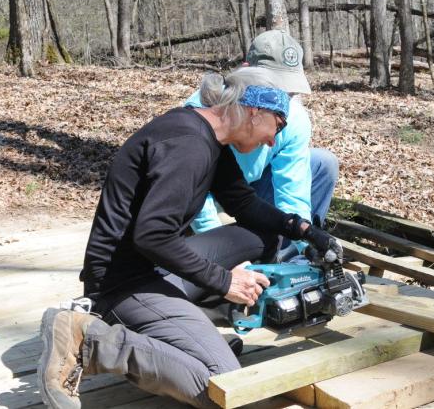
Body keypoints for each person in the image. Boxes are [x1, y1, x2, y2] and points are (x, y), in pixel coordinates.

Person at [37, 69, 341, 409]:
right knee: (223, 385)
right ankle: (90, 341)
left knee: (264, 234)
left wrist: (303, 229)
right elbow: (152, 236)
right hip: (123, 285)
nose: (273, 141)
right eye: (279, 126)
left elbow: (244, 203)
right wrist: (224, 280)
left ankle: (188, 335)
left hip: (156, 269)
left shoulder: (206, 136)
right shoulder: (189, 146)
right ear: (255, 112)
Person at [185, 30, 339, 262]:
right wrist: (224, 257)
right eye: (274, 86)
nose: (282, 98)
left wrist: (304, 241)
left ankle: (286, 257)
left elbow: (293, 192)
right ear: (245, 70)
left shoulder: (295, 118)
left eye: (289, 91)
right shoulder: (204, 110)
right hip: (199, 204)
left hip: (249, 196)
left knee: (322, 162)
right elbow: (192, 193)